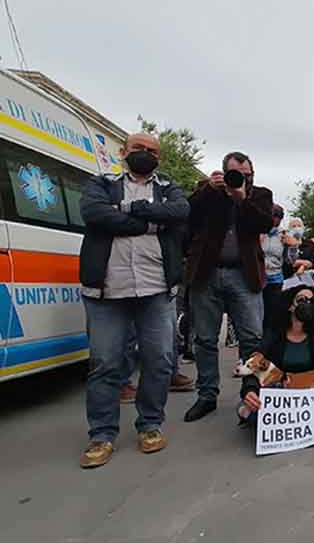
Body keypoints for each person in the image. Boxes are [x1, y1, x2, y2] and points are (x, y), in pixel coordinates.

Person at [78, 133, 189, 468]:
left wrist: (126, 212)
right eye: (139, 149)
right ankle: (101, 434)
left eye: (152, 151)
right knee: (105, 364)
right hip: (107, 292)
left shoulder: (169, 187)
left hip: (155, 290)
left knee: (159, 360)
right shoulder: (101, 183)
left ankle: (150, 425)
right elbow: (95, 215)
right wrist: (151, 222)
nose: (145, 155)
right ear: (123, 152)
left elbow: (180, 211)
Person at [184, 151, 273, 422]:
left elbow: (263, 224)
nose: (242, 179)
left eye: (247, 175)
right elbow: (188, 217)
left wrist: (242, 198)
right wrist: (210, 190)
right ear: (223, 173)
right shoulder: (209, 192)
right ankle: (207, 395)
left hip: (244, 276)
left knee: (252, 338)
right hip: (207, 273)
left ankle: (253, 393)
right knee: (205, 339)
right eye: (236, 175)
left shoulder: (260, 195)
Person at [238, 285, 314, 426]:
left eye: (311, 301)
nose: (307, 304)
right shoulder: (274, 333)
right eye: (302, 300)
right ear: (290, 306)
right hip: (279, 392)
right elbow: (254, 363)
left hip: (310, 392)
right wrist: (250, 390)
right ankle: (246, 411)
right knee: (254, 409)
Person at [260, 204, 286, 334]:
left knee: (273, 315)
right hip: (259, 278)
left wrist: (292, 247)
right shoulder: (258, 232)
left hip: (275, 279)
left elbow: (290, 260)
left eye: (277, 222)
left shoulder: (283, 235)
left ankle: (271, 345)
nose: (274, 224)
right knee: (259, 315)